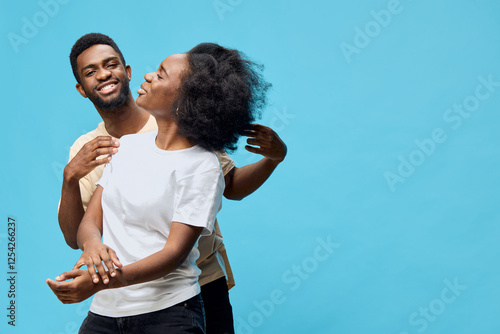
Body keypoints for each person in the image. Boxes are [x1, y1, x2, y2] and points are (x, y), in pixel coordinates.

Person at [56, 34, 286, 333]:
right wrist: (70, 179)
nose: (103, 74)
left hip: (196, 283)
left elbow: (228, 185)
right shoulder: (100, 148)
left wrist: (273, 159)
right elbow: (80, 233)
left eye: (110, 64)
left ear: (127, 71)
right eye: (90, 71)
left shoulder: (189, 131)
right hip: (120, 296)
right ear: (81, 89)